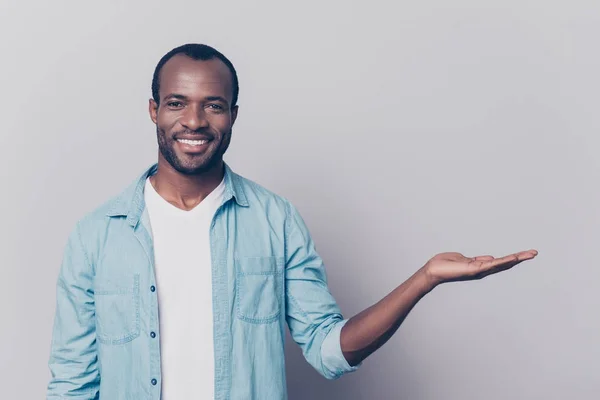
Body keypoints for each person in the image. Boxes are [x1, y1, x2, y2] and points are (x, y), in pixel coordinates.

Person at [46, 43, 538, 400]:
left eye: (212, 105)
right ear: (154, 110)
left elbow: (329, 351)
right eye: (177, 103)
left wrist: (424, 279)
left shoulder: (274, 220)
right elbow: (71, 385)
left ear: (233, 115)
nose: (194, 121)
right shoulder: (96, 235)